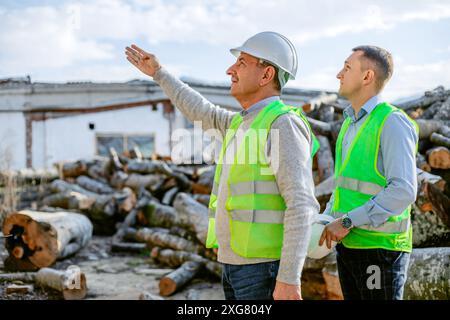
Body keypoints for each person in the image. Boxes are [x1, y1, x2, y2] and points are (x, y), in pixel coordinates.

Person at [125, 31, 320, 300]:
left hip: (263, 268)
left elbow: (301, 204)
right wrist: (159, 73)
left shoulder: (282, 123)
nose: (230, 70)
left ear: (266, 75)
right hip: (236, 264)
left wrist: (288, 278)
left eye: (241, 63)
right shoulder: (241, 123)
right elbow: (200, 110)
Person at [319, 45, 418, 300]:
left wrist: (348, 220)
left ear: (367, 77)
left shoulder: (392, 122)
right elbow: (344, 186)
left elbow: (403, 190)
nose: (339, 74)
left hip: (381, 252)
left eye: (347, 67)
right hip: (349, 247)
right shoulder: (350, 123)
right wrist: (326, 218)